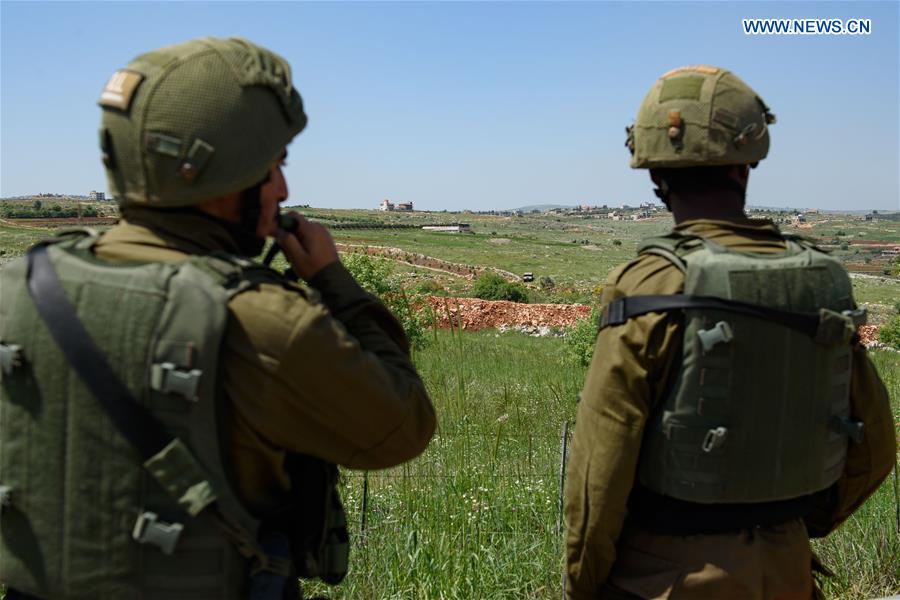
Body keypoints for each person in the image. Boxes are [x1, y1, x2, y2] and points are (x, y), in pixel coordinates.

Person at [0, 37, 435, 599]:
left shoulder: (19, 286)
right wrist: (334, 282)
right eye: (273, 166)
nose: (283, 189)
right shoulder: (257, 320)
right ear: (215, 175)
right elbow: (402, 428)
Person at [563, 65, 896, 599]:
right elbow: (876, 445)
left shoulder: (650, 283)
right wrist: (790, 524)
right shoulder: (821, 280)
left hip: (668, 577)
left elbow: (596, 473)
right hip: (788, 569)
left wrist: (584, 585)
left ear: (653, 172)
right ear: (747, 163)